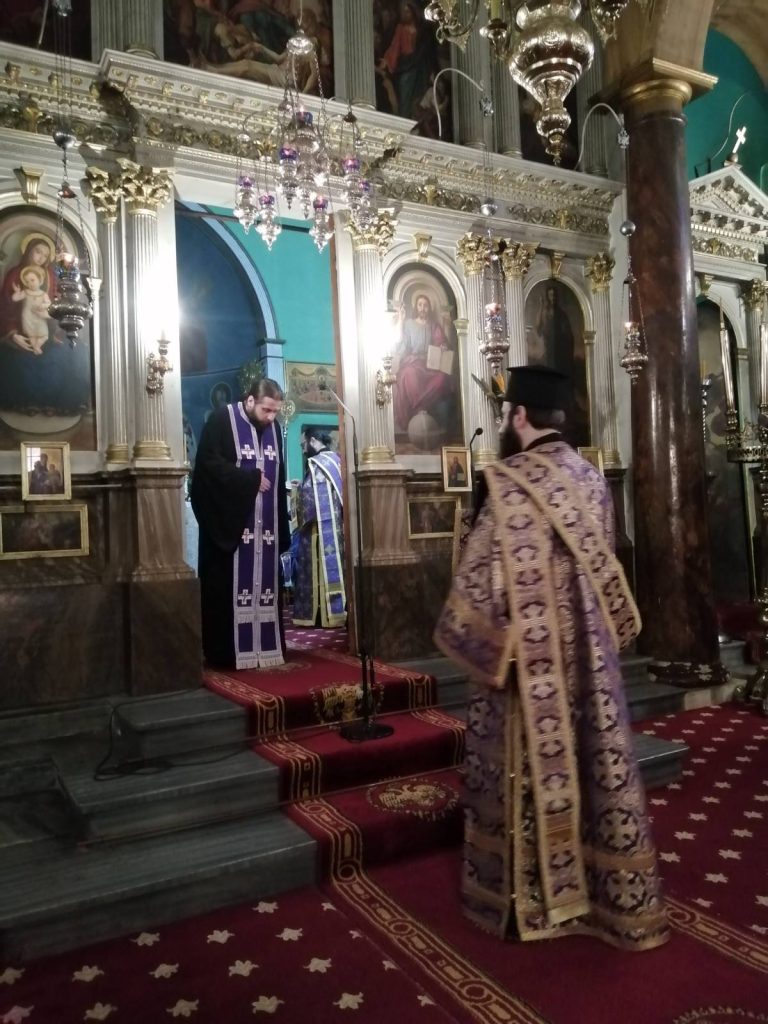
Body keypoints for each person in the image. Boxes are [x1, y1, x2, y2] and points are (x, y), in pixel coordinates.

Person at [434, 365, 668, 953]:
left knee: (526, 768)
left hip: (527, 664)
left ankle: (532, 898)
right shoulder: (591, 477)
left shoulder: (506, 482)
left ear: (518, 416)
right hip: (588, 658)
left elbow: (478, 587)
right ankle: (595, 888)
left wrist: (480, 638)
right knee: (592, 761)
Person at [191, 377, 290, 669]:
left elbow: (279, 479)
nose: (270, 417)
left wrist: (282, 532)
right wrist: (249, 480)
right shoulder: (221, 421)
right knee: (225, 592)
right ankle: (227, 653)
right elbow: (208, 468)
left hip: (266, 531)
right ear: (249, 401)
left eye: (275, 412)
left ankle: (266, 646)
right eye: (266, 410)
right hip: (230, 531)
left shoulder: (273, 430)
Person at [292, 426, 346, 629]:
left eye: (303, 444)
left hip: (317, 530)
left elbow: (309, 501)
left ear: (313, 440)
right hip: (337, 527)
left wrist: (296, 492)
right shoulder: (337, 461)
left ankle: (318, 615)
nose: (303, 449)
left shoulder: (316, 464)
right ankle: (334, 612)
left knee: (317, 566)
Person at [393, 293, 455, 434]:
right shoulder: (409, 324)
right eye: (420, 305)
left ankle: (418, 407)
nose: (422, 308)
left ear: (429, 308)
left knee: (442, 378)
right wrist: (401, 320)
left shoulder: (433, 325)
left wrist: (442, 346)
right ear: (416, 307)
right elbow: (401, 344)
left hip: (429, 364)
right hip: (413, 363)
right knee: (408, 374)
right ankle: (420, 408)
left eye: (425, 305)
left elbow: (441, 341)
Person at [11, 265, 52, 355]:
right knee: (32, 335)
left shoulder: (43, 294)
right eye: (27, 281)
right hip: (28, 317)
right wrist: (17, 292)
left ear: (39, 280)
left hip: (39, 317)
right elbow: (15, 299)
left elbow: (49, 304)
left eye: (32, 280)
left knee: (44, 335)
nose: (30, 283)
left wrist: (43, 305)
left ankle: (38, 345)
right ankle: (35, 348)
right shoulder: (26, 292)